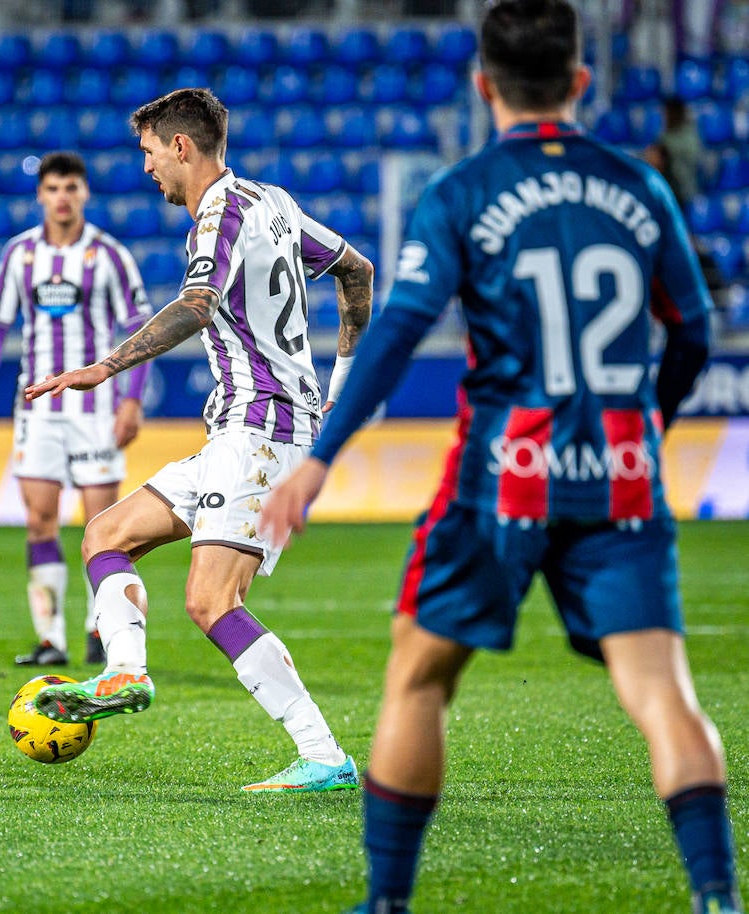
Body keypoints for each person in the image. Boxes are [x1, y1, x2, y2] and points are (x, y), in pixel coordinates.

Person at [258, 1, 740, 910]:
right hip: (619, 482)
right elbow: (694, 332)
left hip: (501, 479)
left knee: (419, 678)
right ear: (580, 82)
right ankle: (717, 898)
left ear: (484, 86)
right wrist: (643, 427)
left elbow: (399, 327)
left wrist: (320, 456)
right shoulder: (640, 188)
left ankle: (388, 902)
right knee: (661, 693)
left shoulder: (461, 191)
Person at [27, 88, 375, 792]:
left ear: (181, 146)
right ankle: (124, 670)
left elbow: (196, 304)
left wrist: (106, 365)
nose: (148, 168)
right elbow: (357, 271)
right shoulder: (273, 201)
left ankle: (324, 754)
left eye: (150, 152)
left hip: (264, 426)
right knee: (104, 535)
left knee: (213, 601)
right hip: (243, 428)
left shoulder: (219, 209)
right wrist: (344, 378)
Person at [0, 151, 153, 668]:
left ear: (84, 193)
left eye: (71, 187)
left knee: (103, 526)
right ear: (40, 195)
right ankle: (51, 639)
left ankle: (102, 629)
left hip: (96, 408)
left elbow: (140, 331)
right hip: (38, 410)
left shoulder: (110, 255)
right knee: (41, 520)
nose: (62, 197)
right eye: (53, 189)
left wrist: (132, 400)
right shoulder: (19, 254)